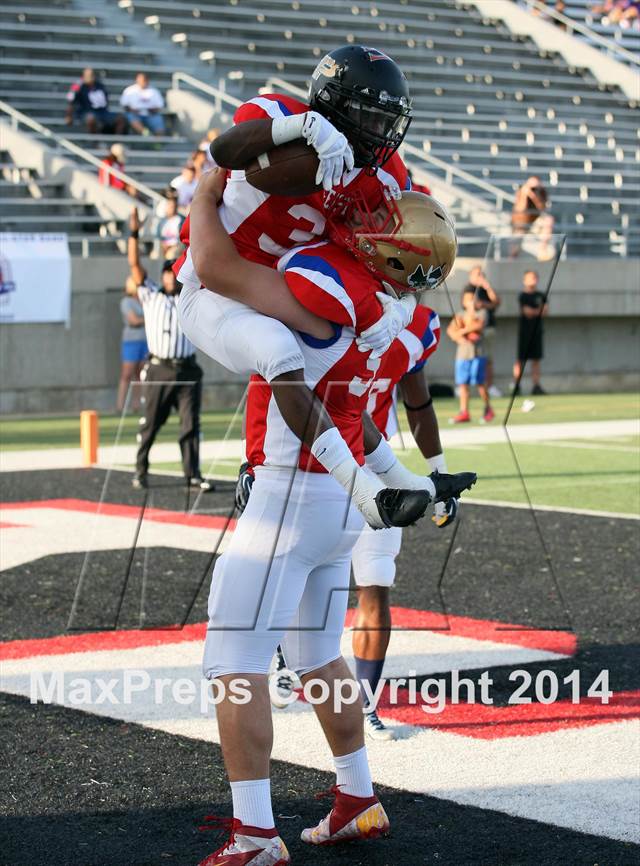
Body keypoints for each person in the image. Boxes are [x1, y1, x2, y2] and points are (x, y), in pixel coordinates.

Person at [194, 185, 475, 866]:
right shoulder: (404, 317)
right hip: (338, 505)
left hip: (292, 493)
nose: (362, 217)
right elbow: (363, 411)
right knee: (319, 654)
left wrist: (207, 190)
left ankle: (255, 834)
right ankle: (357, 798)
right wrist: (399, 476)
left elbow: (213, 266)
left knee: (234, 664)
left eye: (381, 218)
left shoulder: (327, 282)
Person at [177, 46, 422, 530]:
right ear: (337, 105)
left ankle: (397, 475)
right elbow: (223, 153)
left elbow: (408, 255)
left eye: (386, 122)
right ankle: (358, 488)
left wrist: (401, 304)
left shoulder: (381, 175)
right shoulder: (279, 116)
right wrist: (301, 129)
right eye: (370, 118)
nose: (379, 134)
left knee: (340, 354)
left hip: (282, 282)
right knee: (277, 351)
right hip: (216, 289)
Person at [268, 303, 458, 742]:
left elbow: (419, 401)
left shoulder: (419, 321)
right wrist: (255, 459)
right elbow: (279, 380)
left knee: (375, 584)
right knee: (294, 573)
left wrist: (437, 472)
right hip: (312, 461)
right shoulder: (329, 293)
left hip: (375, 461)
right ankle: (283, 656)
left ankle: (365, 704)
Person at [126, 207, 211, 491]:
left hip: (187, 367)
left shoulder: (191, 296)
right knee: (150, 423)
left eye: (173, 272)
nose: (169, 277)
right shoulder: (151, 297)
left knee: (190, 424)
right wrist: (135, 234)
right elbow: (135, 267)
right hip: (160, 368)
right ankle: (140, 470)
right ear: (161, 276)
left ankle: (192, 474)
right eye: (166, 272)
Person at [447, 288, 494, 423]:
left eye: (473, 299)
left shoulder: (482, 313)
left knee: (479, 382)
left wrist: (461, 331)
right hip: (463, 354)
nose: (470, 302)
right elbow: (451, 331)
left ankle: (488, 408)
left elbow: (476, 326)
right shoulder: (460, 314)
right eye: (468, 299)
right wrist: (459, 336)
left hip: (477, 353)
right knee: (463, 384)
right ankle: (464, 412)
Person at [465, 265, 501, 397]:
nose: (480, 277)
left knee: (488, 359)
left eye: (482, 274)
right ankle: (465, 388)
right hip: (474, 330)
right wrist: (488, 305)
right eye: (477, 274)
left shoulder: (486, 289)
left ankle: (490, 386)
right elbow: (472, 304)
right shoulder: (469, 289)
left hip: (488, 328)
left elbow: (496, 301)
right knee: (470, 359)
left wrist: (487, 287)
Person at [513, 269, 549, 395]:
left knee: (536, 360)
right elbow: (527, 312)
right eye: (529, 278)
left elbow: (545, 311)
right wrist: (538, 311)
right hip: (525, 332)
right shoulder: (523, 295)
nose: (532, 280)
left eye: (534, 277)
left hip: (537, 331)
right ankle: (517, 385)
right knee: (521, 359)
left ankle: (536, 386)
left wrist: (537, 311)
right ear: (524, 280)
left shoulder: (541, 295)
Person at [117, 276, 147, 412]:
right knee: (127, 373)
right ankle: (120, 406)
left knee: (140, 374)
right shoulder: (126, 302)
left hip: (145, 339)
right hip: (131, 341)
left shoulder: (144, 300)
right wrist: (149, 319)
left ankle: (137, 405)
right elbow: (133, 320)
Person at [65, 67, 125, 134]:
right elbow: (71, 101)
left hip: (102, 112)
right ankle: (95, 142)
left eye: (92, 75)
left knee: (120, 118)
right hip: (85, 112)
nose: (91, 77)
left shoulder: (99, 85)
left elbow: (105, 100)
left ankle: (117, 142)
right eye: (88, 75)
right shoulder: (77, 86)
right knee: (91, 118)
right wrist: (69, 116)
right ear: (83, 76)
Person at [511, 175, 555, 260]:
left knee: (548, 220)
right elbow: (520, 210)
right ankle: (512, 257)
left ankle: (542, 250)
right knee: (516, 239)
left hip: (535, 221)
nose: (533, 189)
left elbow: (542, 208)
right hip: (522, 222)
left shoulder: (541, 193)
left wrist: (533, 195)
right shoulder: (521, 192)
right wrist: (525, 195)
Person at [157, 191, 184, 261]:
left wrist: (173, 246)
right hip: (163, 246)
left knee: (171, 255)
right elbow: (158, 235)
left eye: (173, 206)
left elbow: (182, 238)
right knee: (155, 254)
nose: (171, 208)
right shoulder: (162, 221)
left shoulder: (181, 220)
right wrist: (163, 244)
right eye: (169, 206)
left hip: (176, 246)